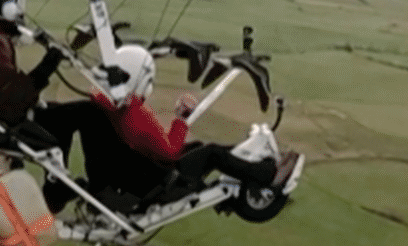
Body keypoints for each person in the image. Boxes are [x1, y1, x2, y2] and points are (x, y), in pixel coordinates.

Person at [90, 45, 300, 206]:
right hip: (159, 179)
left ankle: (256, 167)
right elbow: (169, 151)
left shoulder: (110, 106)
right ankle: (270, 176)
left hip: (144, 171)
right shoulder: (134, 115)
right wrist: (181, 119)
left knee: (200, 147)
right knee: (212, 153)